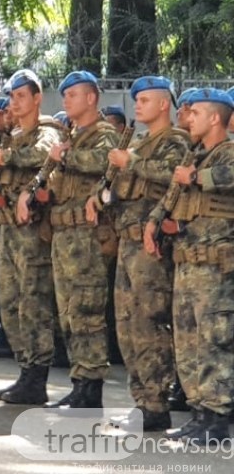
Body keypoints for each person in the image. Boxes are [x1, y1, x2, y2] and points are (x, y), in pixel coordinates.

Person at [87, 75, 191, 430]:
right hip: (127, 244)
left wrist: (129, 162)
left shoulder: (175, 142)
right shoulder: (140, 143)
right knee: (128, 326)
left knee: (150, 324)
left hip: (151, 249)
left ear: (164, 104)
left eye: (145, 100)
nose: (139, 106)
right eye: (137, 101)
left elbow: (172, 177)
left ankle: (156, 403)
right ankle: (141, 400)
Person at [23, 70, 119, 408]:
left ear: (91, 98)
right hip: (63, 235)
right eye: (64, 95)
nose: (65, 100)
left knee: (86, 310)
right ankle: (80, 380)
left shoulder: (102, 134)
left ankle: (91, 386)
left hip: (87, 238)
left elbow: (102, 163)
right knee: (68, 312)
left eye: (72, 95)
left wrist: (65, 156)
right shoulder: (72, 137)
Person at [144, 88, 234, 444]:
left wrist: (197, 178)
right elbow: (171, 196)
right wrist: (153, 223)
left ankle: (217, 418)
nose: (188, 118)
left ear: (215, 118)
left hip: (216, 271)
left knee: (215, 343)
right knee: (188, 344)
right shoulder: (194, 155)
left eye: (195, 112)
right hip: (186, 265)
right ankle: (198, 413)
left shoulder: (227, 153)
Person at [0, 69, 63, 405]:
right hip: (8, 229)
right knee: (10, 304)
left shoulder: (47, 132)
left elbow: (42, 157)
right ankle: (25, 371)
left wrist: (8, 156)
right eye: (12, 96)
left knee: (33, 303)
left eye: (21, 96)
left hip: (31, 234)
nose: (15, 102)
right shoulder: (10, 136)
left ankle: (36, 377)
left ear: (37, 99)